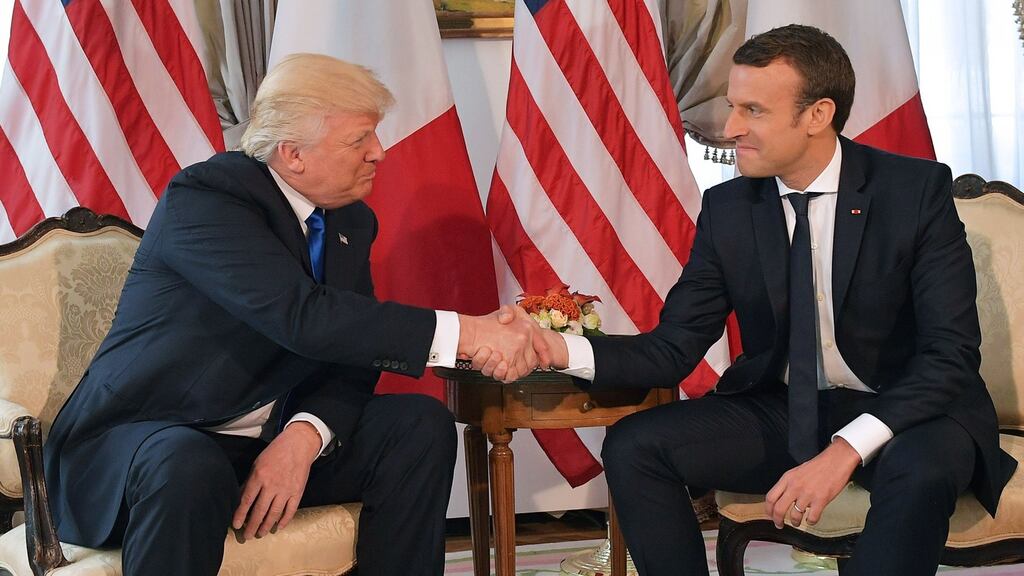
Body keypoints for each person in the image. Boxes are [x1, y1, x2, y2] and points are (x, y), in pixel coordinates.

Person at [531, 24, 1017, 576]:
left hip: (912, 411)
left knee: (920, 471)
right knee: (635, 446)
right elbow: (671, 348)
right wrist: (555, 348)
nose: (731, 127)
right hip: (791, 408)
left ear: (817, 115)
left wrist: (843, 451)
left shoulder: (914, 192)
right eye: (733, 106)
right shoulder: (730, 208)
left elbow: (949, 357)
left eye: (753, 111)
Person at [43, 53, 546, 576]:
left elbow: (353, 354)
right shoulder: (209, 199)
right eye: (360, 140)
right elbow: (302, 316)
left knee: (419, 427)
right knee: (187, 464)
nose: (378, 153)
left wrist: (305, 436)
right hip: (150, 438)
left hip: (260, 439)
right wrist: (463, 331)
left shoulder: (351, 220)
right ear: (293, 154)